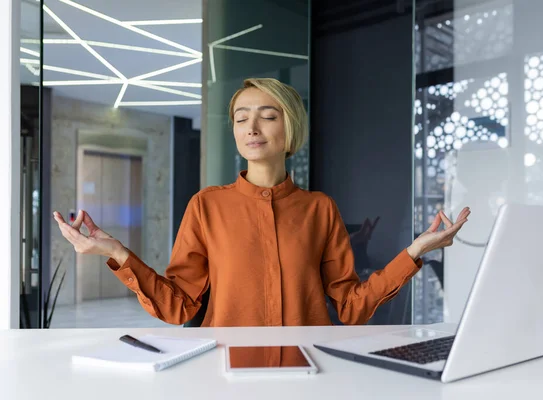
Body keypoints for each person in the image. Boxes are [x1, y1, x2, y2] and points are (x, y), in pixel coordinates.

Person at [54, 78, 470, 327]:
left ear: (290, 129)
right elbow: (178, 306)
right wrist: (114, 251)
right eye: (240, 118)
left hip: (310, 373)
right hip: (227, 374)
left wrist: (415, 252)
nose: (251, 127)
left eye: (267, 116)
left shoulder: (320, 209)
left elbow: (351, 308)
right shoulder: (206, 207)